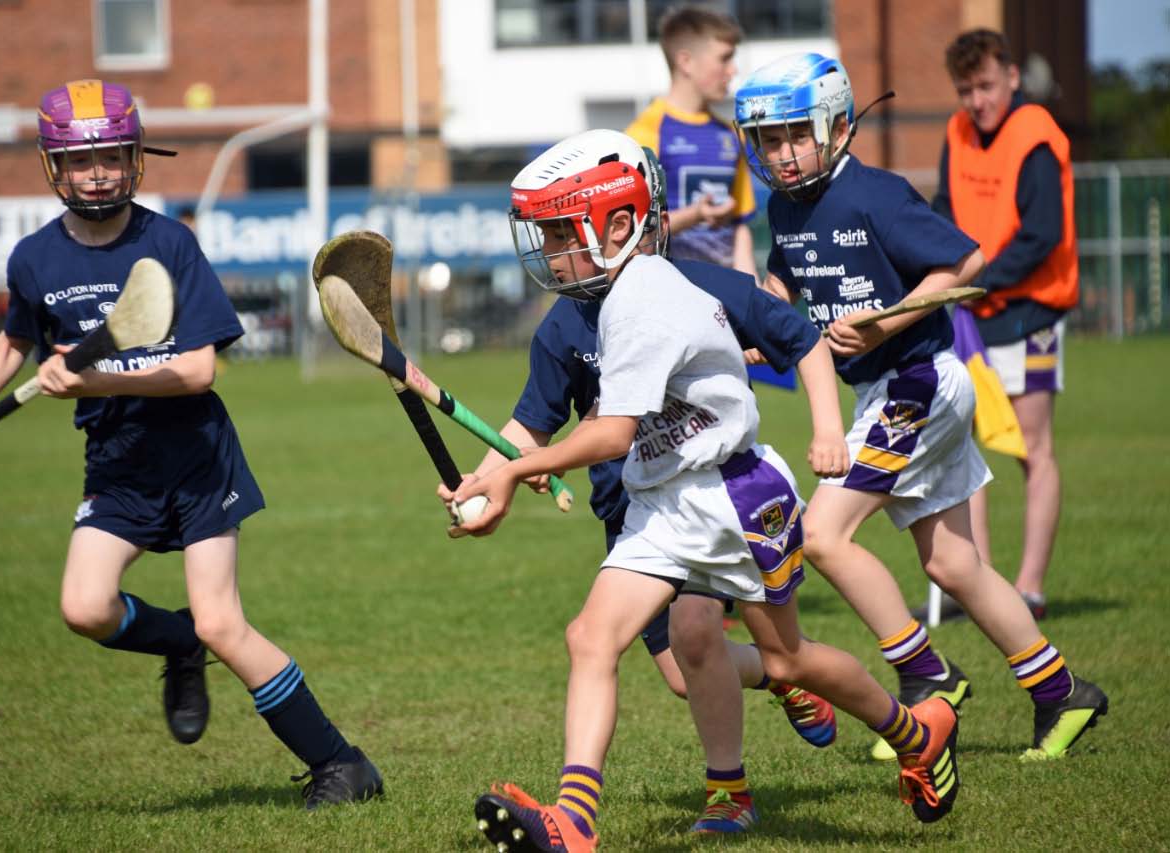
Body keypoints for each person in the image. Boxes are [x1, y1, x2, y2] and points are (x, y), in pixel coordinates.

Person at [455, 129, 961, 853]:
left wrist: (509, 473)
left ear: (621, 226)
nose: (551, 250)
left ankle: (916, 729)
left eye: (563, 232)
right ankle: (574, 821)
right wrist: (491, 471)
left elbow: (609, 434)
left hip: (733, 498)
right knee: (593, 636)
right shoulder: (588, 306)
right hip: (662, 501)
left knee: (787, 660)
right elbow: (547, 427)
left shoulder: (649, 297)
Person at [0, 79, 381, 809]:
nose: (97, 171)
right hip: (117, 461)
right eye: (81, 159)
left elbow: (199, 370)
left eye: (111, 155)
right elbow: (17, 334)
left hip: (196, 458)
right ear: (53, 167)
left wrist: (94, 379)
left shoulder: (167, 242)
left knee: (224, 618)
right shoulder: (36, 259)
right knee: (85, 606)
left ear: (136, 158)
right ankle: (176, 642)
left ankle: (341, 763)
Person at [735, 52, 1106, 763]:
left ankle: (925, 673)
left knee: (820, 534)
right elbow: (782, 288)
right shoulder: (784, 206)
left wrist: (886, 318)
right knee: (952, 565)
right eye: (766, 140)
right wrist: (752, 338)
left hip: (919, 380)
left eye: (794, 135)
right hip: (885, 388)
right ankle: (1063, 693)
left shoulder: (875, 193)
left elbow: (963, 264)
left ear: (838, 126)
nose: (780, 155)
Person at [925, 28, 1080, 622]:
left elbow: (1041, 234)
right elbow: (944, 209)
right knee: (964, 444)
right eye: (965, 90)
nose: (976, 101)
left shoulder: (1037, 135)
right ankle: (978, 586)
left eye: (986, 86)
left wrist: (974, 279)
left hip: (1029, 309)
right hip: (971, 312)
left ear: (1012, 78)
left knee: (1031, 448)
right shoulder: (957, 132)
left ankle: (1031, 587)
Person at [625, 5, 758, 279]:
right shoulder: (644, 134)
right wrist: (695, 215)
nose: (732, 70)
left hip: (723, 300)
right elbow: (631, 233)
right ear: (685, 62)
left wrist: (751, 291)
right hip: (666, 293)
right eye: (724, 58)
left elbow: (739, 225)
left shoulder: (731, 135)